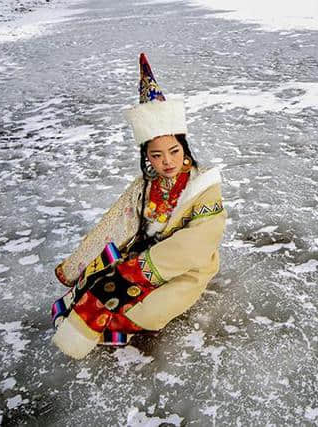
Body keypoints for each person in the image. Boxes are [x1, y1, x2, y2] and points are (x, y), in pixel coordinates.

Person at [50, 53, 226, 359]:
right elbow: (116, 222)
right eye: (157, 156)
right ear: (148, 158)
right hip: (142, 255)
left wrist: (137, 270)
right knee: (96, 286)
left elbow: (196, 245)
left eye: (174, 151)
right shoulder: (145, 185)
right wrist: (79, 265)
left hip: (185, 268)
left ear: (184, 148)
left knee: (140, 309)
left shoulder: (204, 188)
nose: (167, 161)